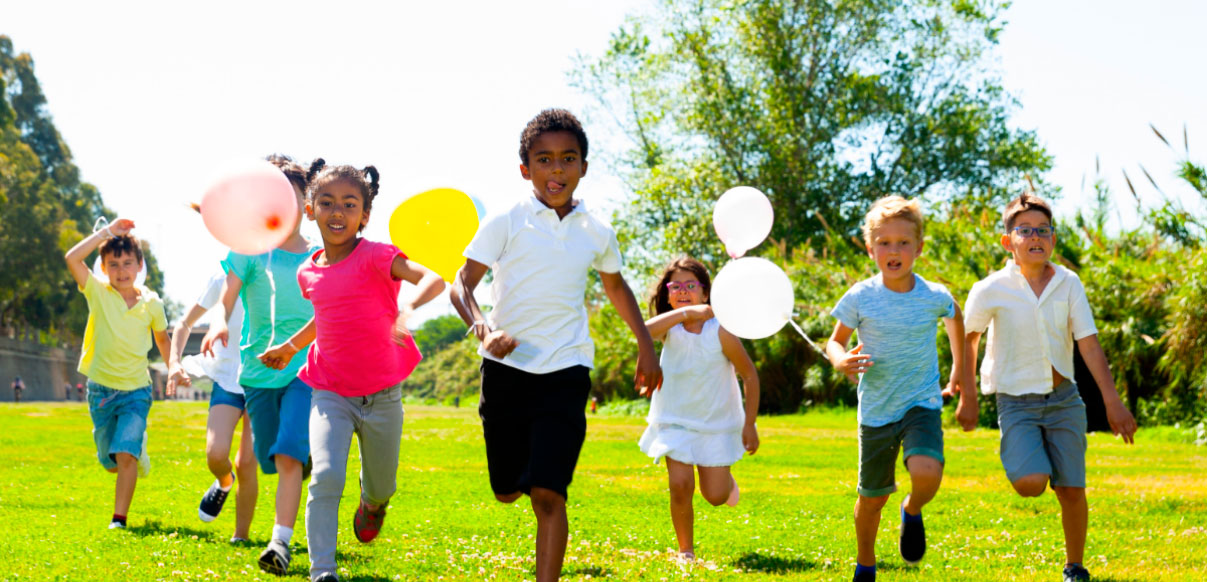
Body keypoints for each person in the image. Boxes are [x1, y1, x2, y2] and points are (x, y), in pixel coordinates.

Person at [450, 108, 662, 582]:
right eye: (544, 160)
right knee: (506, 489)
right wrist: (483, 328)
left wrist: (647, 346)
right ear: (526, 170)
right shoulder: (507, 220)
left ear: (584, 167)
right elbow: (460, 285)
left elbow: (616, 287)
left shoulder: (596, 231)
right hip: (505, 370)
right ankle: (520, 473)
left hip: (567, 369)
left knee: (549, 493)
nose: (557, 170)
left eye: (568, 159)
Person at [259, 160, 446, 582]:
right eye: (327, 202)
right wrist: (291, 348)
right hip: (330, 392)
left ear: (365, 214)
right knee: (324, 476)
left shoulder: (377, 257)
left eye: (349, 203)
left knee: (382, 486)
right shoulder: (308, 270)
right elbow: (325, 316)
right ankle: (322, 570)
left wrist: (408, 309)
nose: (338, 211)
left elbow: (432, 278)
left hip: (383, 394)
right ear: (310, 210)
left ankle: (373, 504)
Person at [958, 192, 1137, 582]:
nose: (1035, 237)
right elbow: (967, 337)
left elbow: (1087, 343)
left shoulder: (1069, 283)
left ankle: (1075, 566)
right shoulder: (989, 289)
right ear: (1009, 242)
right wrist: (967, 395)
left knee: (1071, 488)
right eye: (1025, 231)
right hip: (1016, 403)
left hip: (1064, 402)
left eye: (1043, 230)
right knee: (1030, 483)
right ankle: (1025, 458)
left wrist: (1113, 402)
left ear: (1053, 239)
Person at [824, 196, 971, 582]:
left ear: (918, 248)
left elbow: (956, 317)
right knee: (872, 499)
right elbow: (834, 341)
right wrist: (840, 360)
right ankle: (866, 564)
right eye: (884, 242)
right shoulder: (860, 296)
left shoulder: (933, 295)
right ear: (871, 248)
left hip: (920, 403)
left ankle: (913, 508)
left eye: (903, 242)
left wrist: (958, 369)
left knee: (926, 473)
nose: (894, 251)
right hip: (876, 410)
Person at [201, 154, 317, 576]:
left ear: (306, 203)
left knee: (286, 456)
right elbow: (226, 299)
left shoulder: (321, 254)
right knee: (274, 457)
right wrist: (217, 324)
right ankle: (299, 457)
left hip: (305, 369)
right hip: (256, 373)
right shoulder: (248, 251)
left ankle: (279, 543)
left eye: (292, 194)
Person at [639, 256, 760, 561]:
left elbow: (749, 375)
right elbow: (642, 330)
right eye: (675, 286)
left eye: (690, 285)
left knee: (715, 496)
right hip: (674, 421)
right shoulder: (671, 328)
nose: (682, 291)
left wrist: (749, 424)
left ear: (706, 293)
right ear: (667, 294)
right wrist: (685, 314)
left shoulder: (720, 331)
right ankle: (685, 552)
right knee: (680, 486)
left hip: (716, 425)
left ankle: (726, 484)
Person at [64, 218, 171, 529]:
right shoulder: (96, 292)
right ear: (103, 267)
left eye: (128, 263)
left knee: (125, 456)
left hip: (136, 392)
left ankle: (119, 519)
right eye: (114, 264)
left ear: (140, 265)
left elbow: (162, 339)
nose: (121, 270)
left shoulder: (152, 303)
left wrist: (174, 366)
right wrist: (107, 232)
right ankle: (136, 448)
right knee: (111, 461)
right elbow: (72, 258)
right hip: (100, 391)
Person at [167, 267, 258, 543]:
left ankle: (240, 537)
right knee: (216, 455)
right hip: (227, 379)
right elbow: (184, 324)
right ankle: (224, 481)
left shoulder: (277, 274)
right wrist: (174, 363)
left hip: (263, 380)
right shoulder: (221, 279)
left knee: (247, 463)